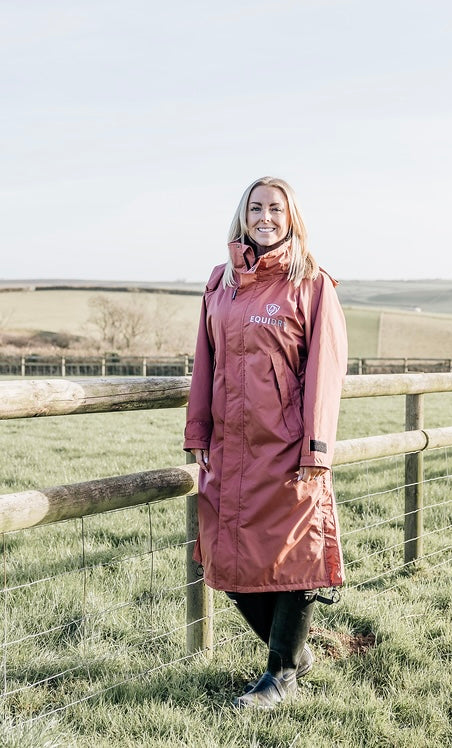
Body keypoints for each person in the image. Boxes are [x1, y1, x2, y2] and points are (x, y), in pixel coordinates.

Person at [184, 176, 348, 709]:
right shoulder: (221, 283)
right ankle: (295, 654)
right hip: (232, 449)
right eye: (256, 208)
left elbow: (326, 371)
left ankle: (279, 676)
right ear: (243, 216)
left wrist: (316, 449)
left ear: (291, 217)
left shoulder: (313, 284)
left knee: (295, 554)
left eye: (276, 209)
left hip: (288, 446)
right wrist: (198, 431)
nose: (265, 217)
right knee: (225, 558)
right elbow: (204, 362)